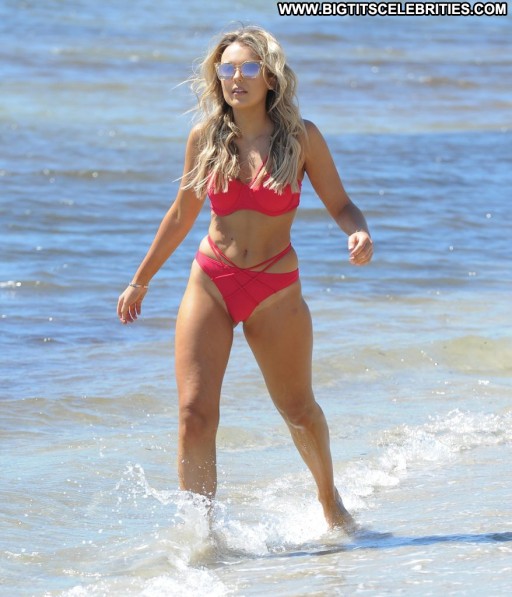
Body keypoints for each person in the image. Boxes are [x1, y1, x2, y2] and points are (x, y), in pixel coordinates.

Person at [117, 25, 373, 532]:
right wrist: (140, 280)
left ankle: (329, 501)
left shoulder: (301, 137)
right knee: (194, 413)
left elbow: (342, 204)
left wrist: (358, 232)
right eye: (227, 68)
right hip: (211, 279)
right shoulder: (205, 138)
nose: (237, 77)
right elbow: (181, 214)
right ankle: (201, 534)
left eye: (249, 67)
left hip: (275, 290)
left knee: (298, 409)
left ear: (270, 77)